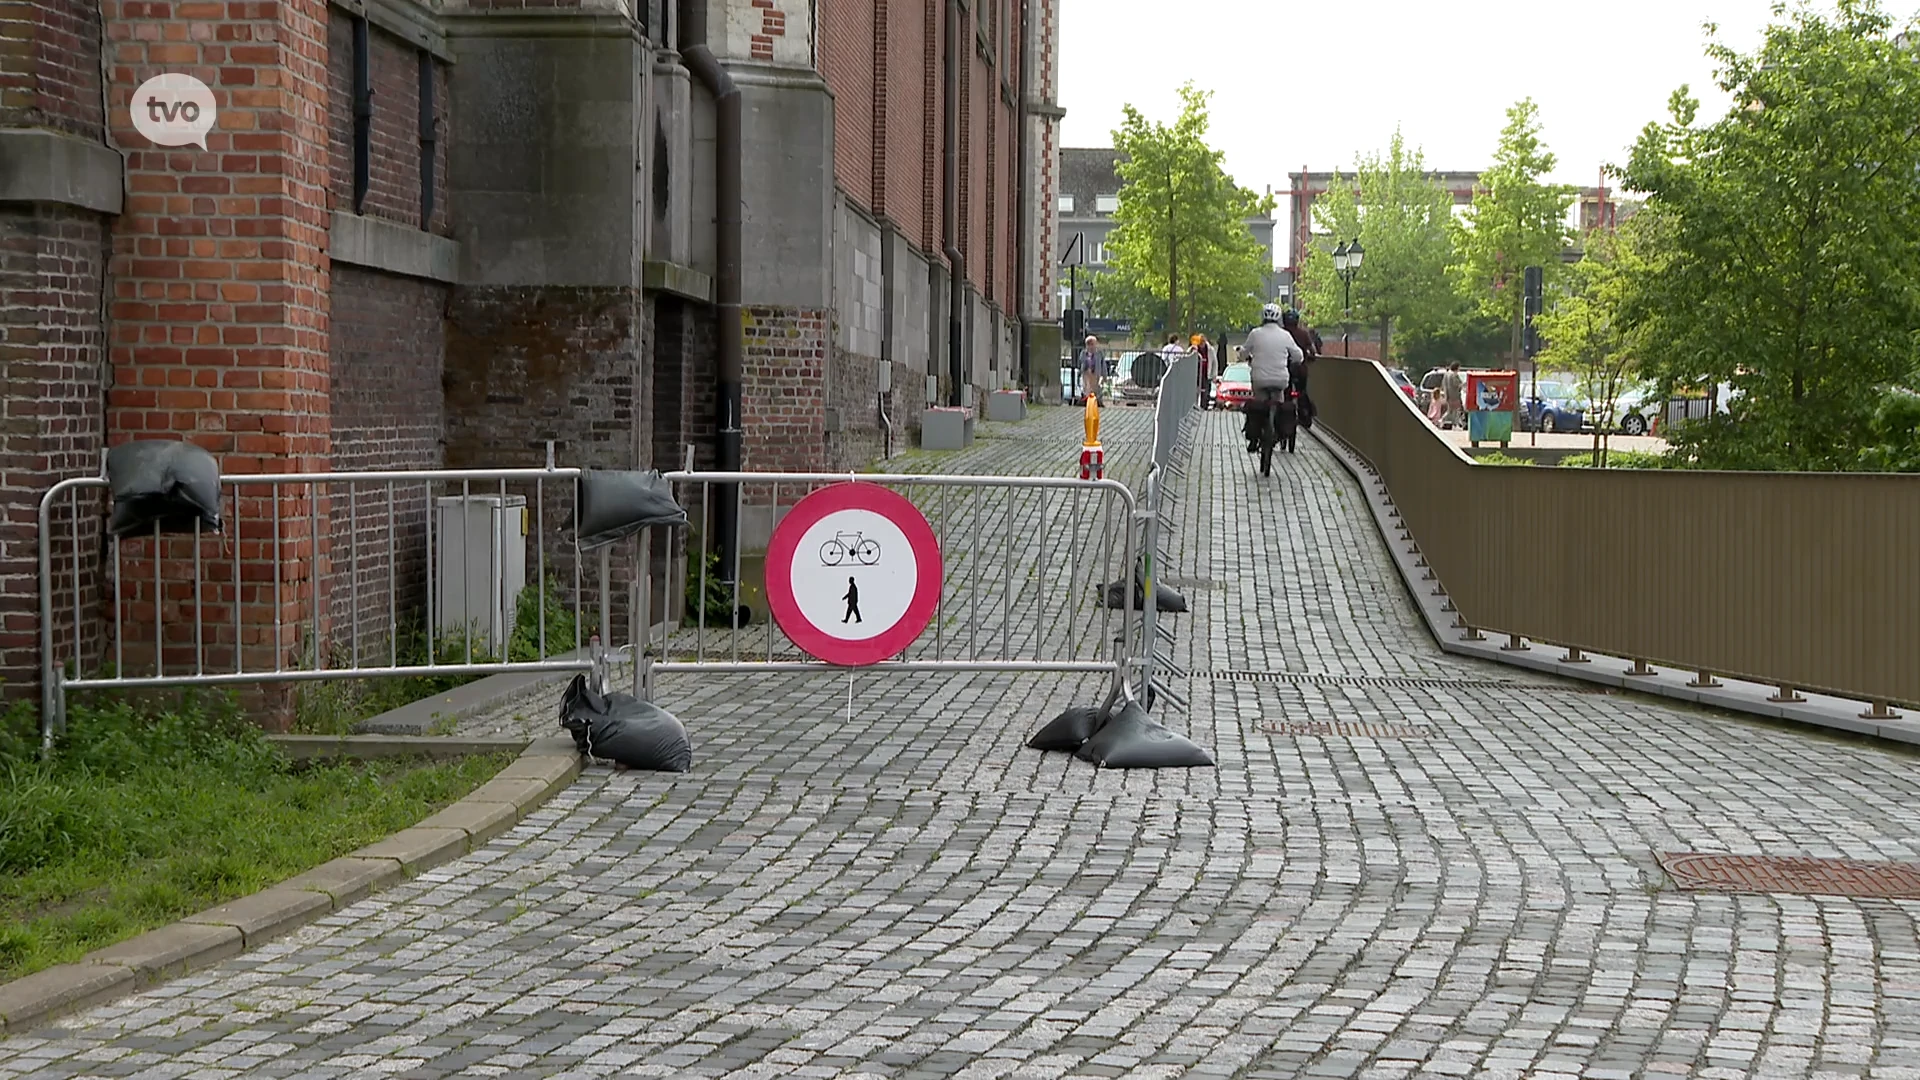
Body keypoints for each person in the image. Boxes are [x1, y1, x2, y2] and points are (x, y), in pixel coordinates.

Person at [1242, 304, 1304, 454]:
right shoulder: (1285, 335)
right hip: (1280, 380)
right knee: (1279, 403)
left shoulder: (1255, 334)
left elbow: (1243, 353)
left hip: (1260, 379)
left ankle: (1254, 437)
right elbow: (1299, 356)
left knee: (1258, 404)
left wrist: (1245, 356)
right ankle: (1277, 431)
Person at [1280, 310, 1318, 430]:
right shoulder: (1303, 334)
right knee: (1302, 391)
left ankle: (1282, 414)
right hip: (1300, 370)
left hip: (1284, 370)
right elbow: (1312, 350)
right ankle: (1305, 413)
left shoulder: (1282, 333)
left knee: (1284, 392)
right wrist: (1311, 357)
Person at [1078, 335, 1104, 406]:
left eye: (1094, 344)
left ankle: (1096, 402)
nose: (1092, 347)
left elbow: (1103, 365)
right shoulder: (1083, 353)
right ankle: (1086, 401)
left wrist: (1104, 375)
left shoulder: (1099, 353)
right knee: (1087, 388)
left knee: (1096, 389)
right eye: (1090, 345)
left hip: (1096, 374)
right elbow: (1081, 363)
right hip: (1086, 374)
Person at [1442, 362, 1466, 429]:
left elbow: (1444, 384)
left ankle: (1453, 423)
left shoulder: (1446, 374)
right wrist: (1463, 384)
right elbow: (1457, 384)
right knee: (1454, 411)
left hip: (1448, 395)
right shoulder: (1454, 375)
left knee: (1451, 410)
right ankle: (1447, 421)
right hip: (1454, 396)